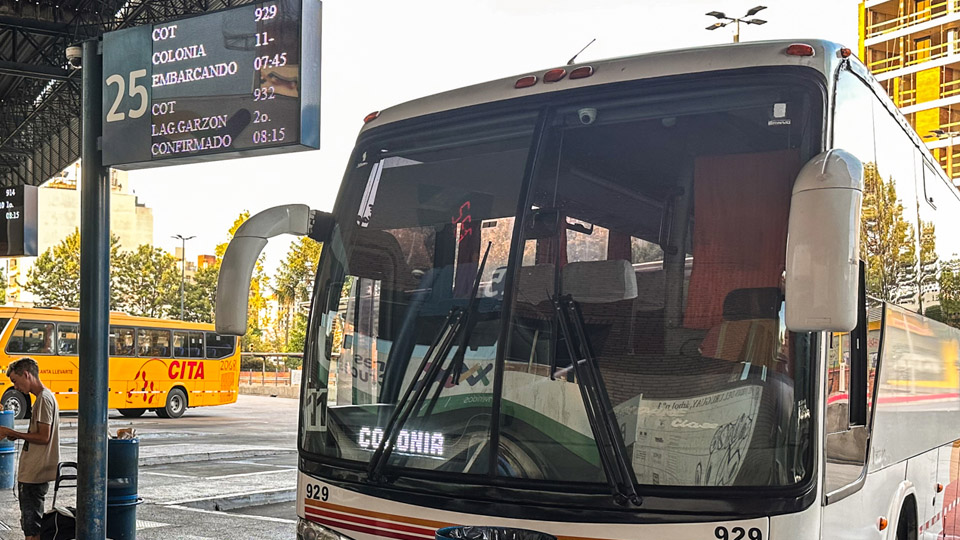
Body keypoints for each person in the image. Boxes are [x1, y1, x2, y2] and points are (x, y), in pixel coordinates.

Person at [0, 357, 60, 540]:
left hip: (35, 474)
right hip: (36, 472)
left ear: (26, 374)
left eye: (15, 382)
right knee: (32, 524)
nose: (16, 387)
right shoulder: (45, 398)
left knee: (32, 528)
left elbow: (43, 436)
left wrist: (14, 433)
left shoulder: (43, 399)